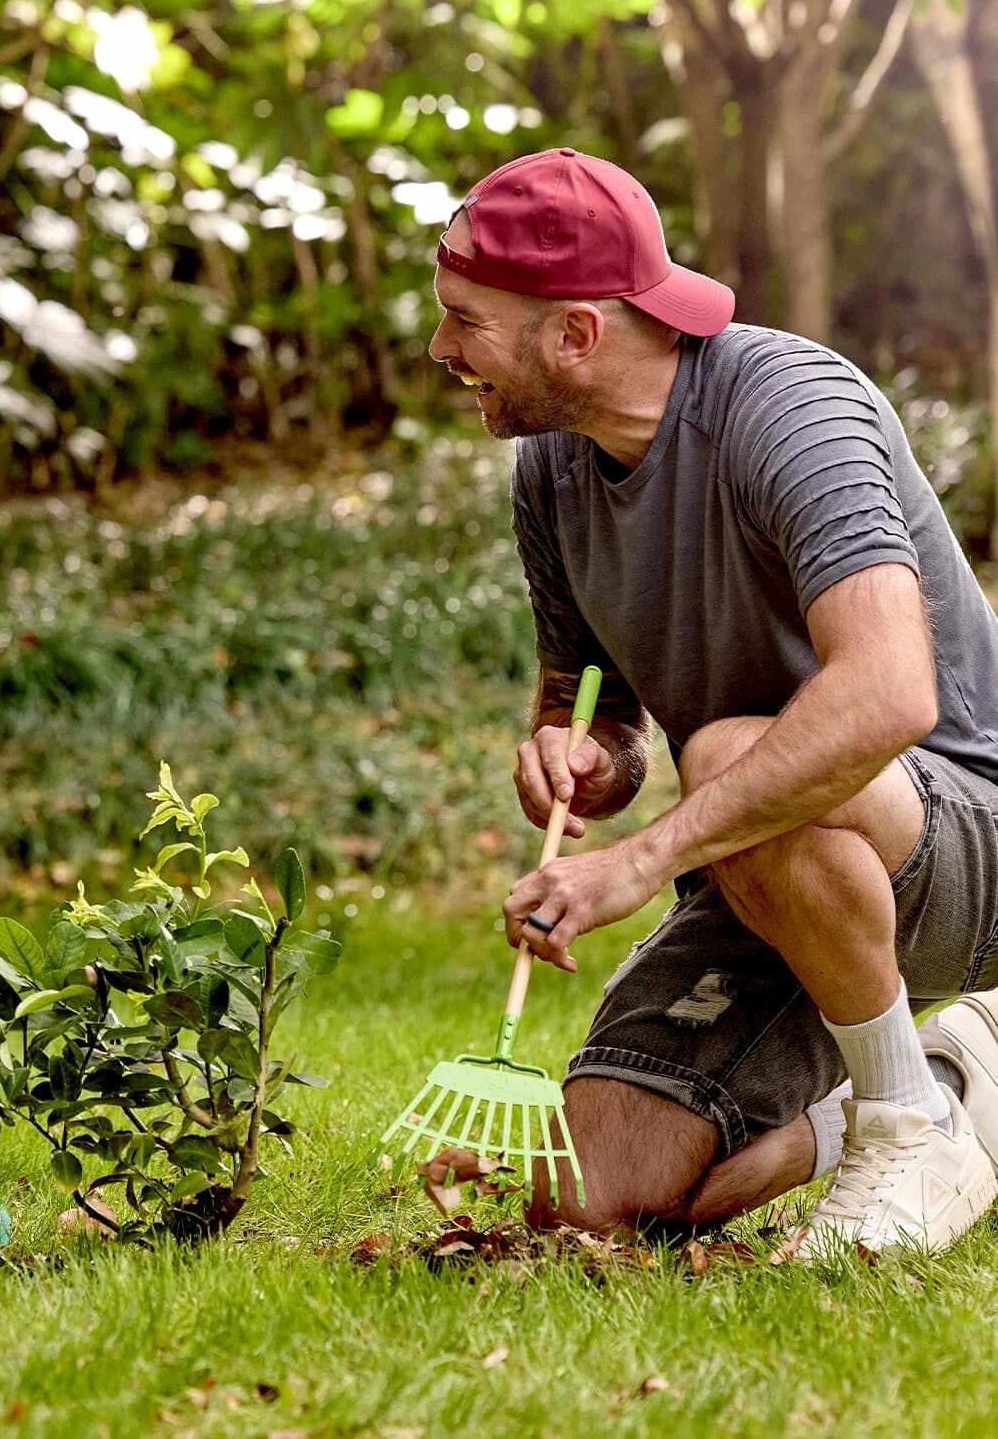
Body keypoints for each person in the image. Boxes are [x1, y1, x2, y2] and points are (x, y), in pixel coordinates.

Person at [427, 146, 998, 1258]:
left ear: (575, 333)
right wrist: (581, 754)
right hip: (770, 869)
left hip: (965, 835)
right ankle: (944, 1085)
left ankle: (906, 1122)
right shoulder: (553, 470)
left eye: (466, 321)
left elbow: (889, 692)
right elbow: (591, 704)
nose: (441, 349)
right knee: (594, 1198)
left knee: (734, 750)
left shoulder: (790, 405)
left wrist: (639, 862)